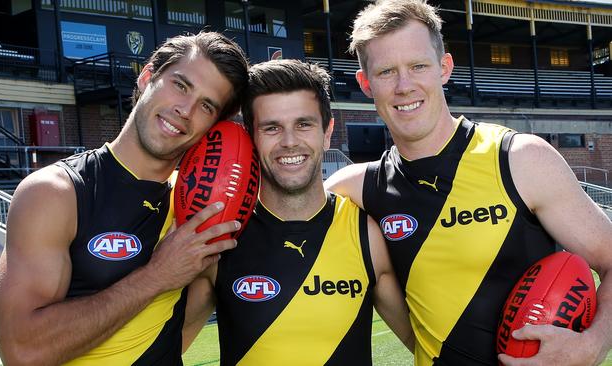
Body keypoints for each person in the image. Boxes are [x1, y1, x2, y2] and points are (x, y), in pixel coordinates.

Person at [324, 0, 612, 365]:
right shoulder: (355, 189)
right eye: (386, 72)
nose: (404, 86)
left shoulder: (520, 159)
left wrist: (593, 345)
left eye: (418, 66)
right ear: (366, 83)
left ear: (444, 68)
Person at [0, 32, 249, 365]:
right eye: (181, 86)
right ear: (147, 76)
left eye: (207, 106)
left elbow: (196, 305)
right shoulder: (55, 193)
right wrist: (157, 276)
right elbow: (22, 352)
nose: (185, 109)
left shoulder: (201, 209)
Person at [182, 59, 414, 365]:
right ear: (251, 136)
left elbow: (424, 343)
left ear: (327, 132)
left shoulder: (367, 234)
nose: (289, 142)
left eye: (303, 124)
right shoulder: (224, 237)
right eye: (272, 128)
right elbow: (159, 350)